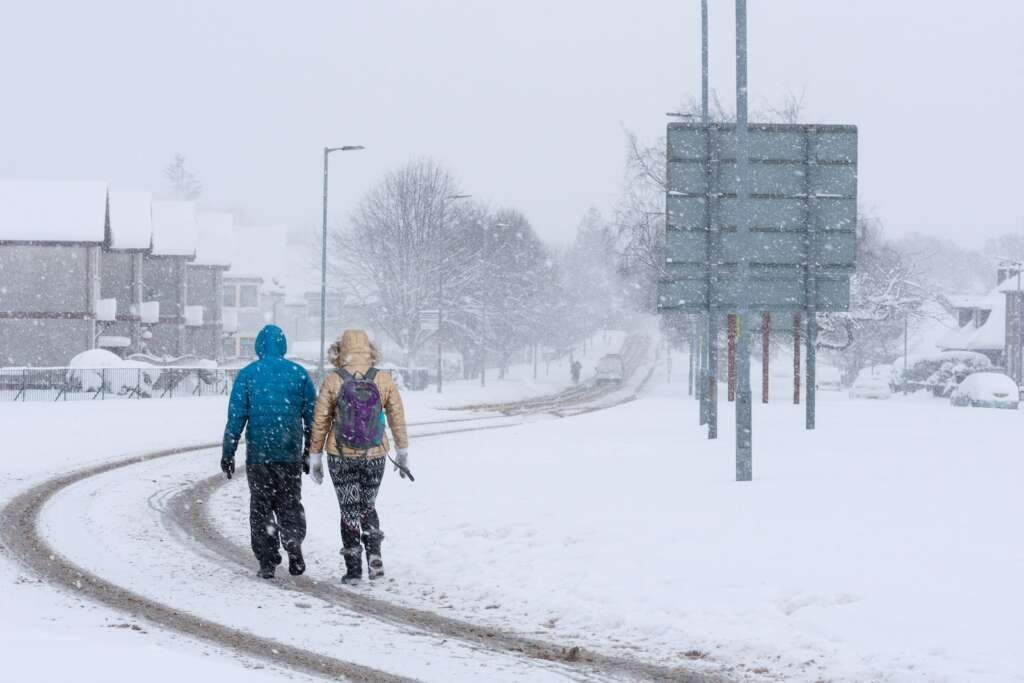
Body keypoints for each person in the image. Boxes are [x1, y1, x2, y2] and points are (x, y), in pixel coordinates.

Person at [308, 329, 409, 584]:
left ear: (340, 350)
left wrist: (315, 455)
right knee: (368, 506)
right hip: (375, 454)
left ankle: (353, 569)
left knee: (349, 510)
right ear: (370, 349)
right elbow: (397, 417)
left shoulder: (333, 380)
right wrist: (403, 450)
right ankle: (375, 557)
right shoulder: (383, 379)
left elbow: (320, 421)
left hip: (340, 455)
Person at [222, 325, 317, 580]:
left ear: (258, 346)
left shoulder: (248, 375)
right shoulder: (299, 375)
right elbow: (313, 418)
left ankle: (267, 559)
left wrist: (228, 452)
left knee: (261, 506)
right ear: (283, 345)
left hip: (259, 455)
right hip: (289, 454)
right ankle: (293, 541)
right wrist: (309, 450)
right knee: (289, 503)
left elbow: (236, 418)